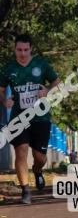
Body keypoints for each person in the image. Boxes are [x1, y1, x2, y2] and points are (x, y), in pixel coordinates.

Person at [0, 34, 60, 204]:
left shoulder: (41, 65)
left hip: (41, 117)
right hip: (18, 117)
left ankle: (37, 170)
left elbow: (57, 83)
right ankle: (25, 190)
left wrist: (47, 91)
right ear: (15, 49)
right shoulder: (8, 68)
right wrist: (5, 100)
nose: (23, 53)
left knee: (40, 157)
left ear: (31, 49)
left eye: (26, 50)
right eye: (19, 50)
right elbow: (1, 89)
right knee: (22, 149)